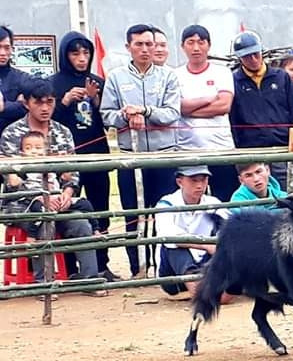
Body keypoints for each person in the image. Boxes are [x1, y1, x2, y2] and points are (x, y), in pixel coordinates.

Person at [100, 23, 182, 278]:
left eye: (150, 44)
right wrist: (125, 115)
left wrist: (145, 111)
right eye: (139, 44)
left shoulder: (168, 76)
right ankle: (137, 268)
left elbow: (172, 113)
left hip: (163, 154)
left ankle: (165, 268)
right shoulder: (115, 77)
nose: (145, 49)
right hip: (130, 157)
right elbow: (106, 115)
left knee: (164, 214)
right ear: (129, 47)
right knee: (133, 214)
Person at [50, 30, 117, 280]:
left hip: (96, 153)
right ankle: (70, 268)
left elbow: (109, 118)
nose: (81, 58)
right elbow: (48, 119)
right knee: (69, 210)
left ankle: (102, 265)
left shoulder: (97, 80)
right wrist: (65, 100)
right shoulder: (53, 83)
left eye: (86, 52)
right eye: (75, 52)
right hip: (67, 157)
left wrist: (95, 98)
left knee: (100, 210)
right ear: (65, 55)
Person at [3, 130, 104, 290]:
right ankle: (43, 283)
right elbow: (13, 184)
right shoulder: (20, 163)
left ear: (46, 150)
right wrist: (13, 178)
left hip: (56, 203)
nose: (34, 151)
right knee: (44, 225)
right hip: (29, 206)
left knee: (81, 221)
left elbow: (68, 176)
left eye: (38, 148)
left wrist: (66, 191)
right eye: (28, 148)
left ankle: (90, 280)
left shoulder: (52, 160)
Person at [229, 32, 293, 193]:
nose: (252, 59)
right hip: (252, 152)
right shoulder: (234, 81)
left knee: (289, 195)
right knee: (257, 199)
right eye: (246, 56)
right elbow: (233, 118)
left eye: (255, 54)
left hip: (284, 148)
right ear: (239, 58)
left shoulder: (281, 77)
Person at [174, 24, 238, 197]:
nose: (196, 47)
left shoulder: (222, 72)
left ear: (209, 45)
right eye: (190, 42)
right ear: (182, 46)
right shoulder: (175, 75)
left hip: (221, 148)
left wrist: (188, 109)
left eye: (201, 42)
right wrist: (208, 99)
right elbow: (176, 107)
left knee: (225, 200)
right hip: (187, 149)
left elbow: (224, 105)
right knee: (191, 199)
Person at [156, 165, 230, 299]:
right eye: (194, 180)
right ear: (180, 182)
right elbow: (168, 235)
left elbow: (230, 228)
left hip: (205, 263)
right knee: (174, 246)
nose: (200, 185)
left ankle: (220, 288)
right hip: (175, 272)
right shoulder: (166, 203)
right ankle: (201, 291)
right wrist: (206, 245)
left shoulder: (213, 203)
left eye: (203, 180)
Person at [0, 25, 32, 131]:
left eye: (7, 47)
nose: (3, 53)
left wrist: (4, 106)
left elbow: (29, 107)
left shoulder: (22, 78)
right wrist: (16, 105)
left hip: (14, 142)